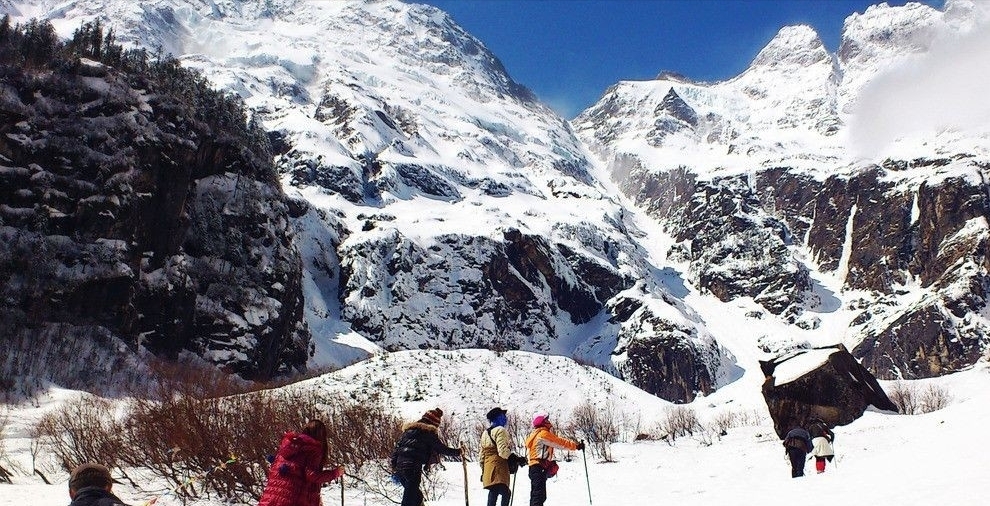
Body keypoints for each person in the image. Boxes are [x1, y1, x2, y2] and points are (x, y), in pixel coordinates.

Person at [258, 419, 345, 506]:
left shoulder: (288, 446)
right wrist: (336, 473)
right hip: (291, 501)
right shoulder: (313, 449)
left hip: (268, 500)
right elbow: (312, 475)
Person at [391, 408, 463, 506]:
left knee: (416, 497)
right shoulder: (428, 432)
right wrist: (459, 452)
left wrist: (394, 466)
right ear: (433, 423)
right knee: (409, 500)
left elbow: (397, 449)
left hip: (400, 468)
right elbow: (441, 448)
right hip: (412, 468)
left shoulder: (408, 431)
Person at [525, 413, 583, 506]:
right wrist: (576, 446)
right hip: (539, 467)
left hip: (534, 468)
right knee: (538, 497)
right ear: (543, 422)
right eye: (546, 420)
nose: (549, 421)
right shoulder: (543, 434)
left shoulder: (535, 434)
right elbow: (559, 443)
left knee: (538, 496)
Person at [478, 407, 525, 506]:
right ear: (498, 418)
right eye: (503, 416)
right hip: (498, 467)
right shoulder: (500, 430)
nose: (505, 419)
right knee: (506, 493)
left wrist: (483, 471)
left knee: (494, 491)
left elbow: (481, 456)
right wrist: (516, 458)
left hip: (488, 468)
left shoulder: (485, 433)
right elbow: (502, 451)